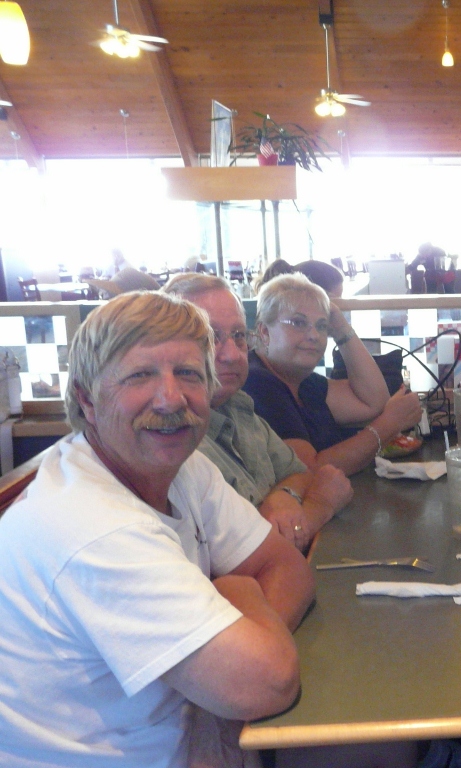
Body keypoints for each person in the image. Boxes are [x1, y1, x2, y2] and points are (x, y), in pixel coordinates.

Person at [0, 291, 314, 766]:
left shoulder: (182, 468)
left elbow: (287, 567)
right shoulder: (93, 526)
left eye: (188, 374)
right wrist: (238, 590)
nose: (171, 399)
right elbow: (266, 682)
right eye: (139, 375)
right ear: (87, 399)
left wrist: (216, 693)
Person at [163, 273, 353, 553]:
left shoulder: (238, 405)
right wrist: (320, 505)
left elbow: (300, 473)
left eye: (238, 336)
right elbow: (248, 559)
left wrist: (283, 495)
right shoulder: (172, 439)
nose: (232, 355)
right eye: (210, 337)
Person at [243, 273, 422, 475]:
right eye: (298, 323)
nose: (314, 335)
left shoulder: (302, 381)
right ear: (264, 331)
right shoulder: (257, 381)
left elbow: (373, 402)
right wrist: (391, 423)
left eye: (321, 326)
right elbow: (308, 469)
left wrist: (340, 328)